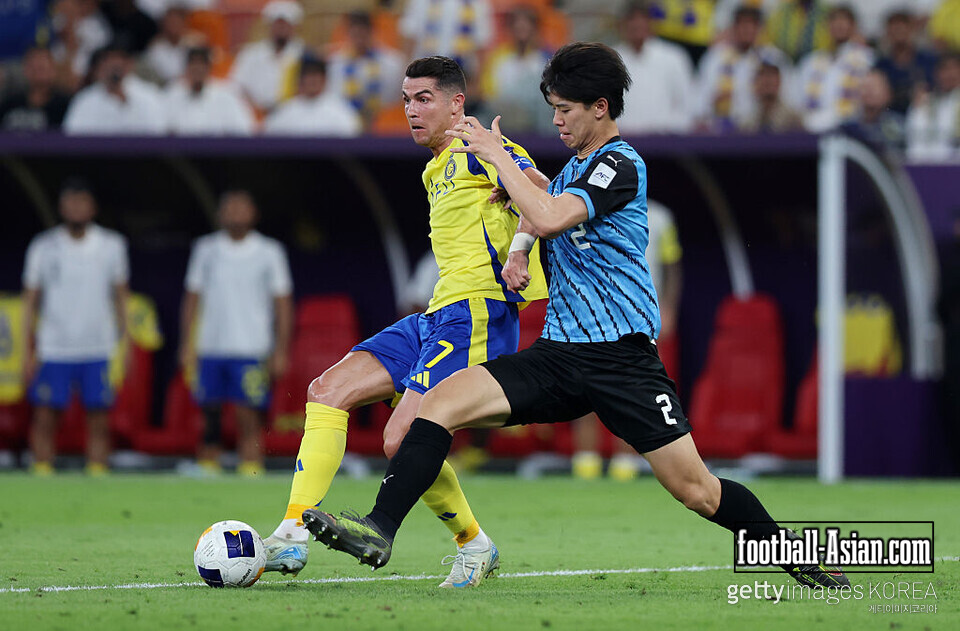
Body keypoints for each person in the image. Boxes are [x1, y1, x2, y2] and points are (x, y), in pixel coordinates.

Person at [302, 42, 850, 592]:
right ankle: (379, 529)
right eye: (553, 107)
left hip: (621, 361)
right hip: (560, 356)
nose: (557, 119)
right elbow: (536, 211)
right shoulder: (574, 169)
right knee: (439, 403)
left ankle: (801, 561)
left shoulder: (620, 164)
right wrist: (518, 248)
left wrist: (497, 158)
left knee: (698, 491)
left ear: (601, 108)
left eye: (565, 109)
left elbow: (550, 213)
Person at [260, 56, 548, 589]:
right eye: (406, 100)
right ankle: (291, 536)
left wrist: (521, 251)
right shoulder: (436, 165)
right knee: (327, 390)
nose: (411, 111)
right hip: (435, 314)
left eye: (424, 99)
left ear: (457, 103)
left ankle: (472, 544)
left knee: (402, 439)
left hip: (477, 312)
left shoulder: (479, 148)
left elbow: (540, 189)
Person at [179, 190, 293, 476]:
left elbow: (283, 304)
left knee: (248, 413)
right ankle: (207, 467)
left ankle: (251, 467)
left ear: (253, 213)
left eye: (241, 208)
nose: (234, 213)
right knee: (209, 413)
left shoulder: (269, 251)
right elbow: (192, 298)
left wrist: (281, 349)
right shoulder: (205, 249)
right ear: (219, 214)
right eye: (229, 208)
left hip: (252, 347)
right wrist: (187, 344)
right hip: (210, 347)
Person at [22, 177, 129, 475]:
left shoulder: (111, 245)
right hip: (54, 346)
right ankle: (41, 472)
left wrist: (126, 344)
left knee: (99, 417)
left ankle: (98, 473)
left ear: (92, 207)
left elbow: (121, 297)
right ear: (61, 207)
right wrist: (26, 349)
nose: (76, 208)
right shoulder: (44, 246)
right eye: (70, 202)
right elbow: (31, 301)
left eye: (82, 202)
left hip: (98, 346)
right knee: (45, 415)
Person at [571, 198, 683, 481]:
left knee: (634, 386)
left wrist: (668, 307)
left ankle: (626, 461)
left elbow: (672, 266)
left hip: (639, 314)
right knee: (587, 381)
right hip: (593, 309)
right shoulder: (585, 205)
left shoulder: (660, 216)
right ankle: (586, 461)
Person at [694, 5, 791, 132]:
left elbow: (789, 101)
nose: (747, 30)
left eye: (752, 25)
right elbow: (697, 100)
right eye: (743, 25)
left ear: (761, 28)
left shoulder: (774, 59)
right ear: (733, 27)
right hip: (723, 131)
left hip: (763, 129)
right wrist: (713, 100)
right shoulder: (715, 59)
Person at [614, 0, 695, 134]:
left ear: (651, 23)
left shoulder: (673, 57)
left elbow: (688, 104)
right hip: (622, 142)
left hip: (666, 140)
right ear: (623, 25)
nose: (637, 24)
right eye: (631, 20)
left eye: (642, 19)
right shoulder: (611, 59)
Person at [794, 4, 874, 133]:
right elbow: (799, 102)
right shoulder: (811, 62)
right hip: (811, 131)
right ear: (827, 27)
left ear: (854, 26)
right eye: (834, 21)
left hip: (850, 131)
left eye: (844, 21)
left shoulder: (867, 60)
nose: (838, 25)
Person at [62, 42, 166, 135]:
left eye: (119, 64)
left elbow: (160, 134)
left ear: (129, 64)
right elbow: (73, 138)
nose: (115, 68)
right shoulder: (85, 100)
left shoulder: (149, 96)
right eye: (110, 62)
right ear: (101, 66)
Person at [326, 10, 405, 129]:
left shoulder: (393, 63)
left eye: (363, 34)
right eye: (355, 34)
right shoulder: (335, 63)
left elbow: (397, 99)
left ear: (371, 32)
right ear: (348, 34)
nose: (359, 40)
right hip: (344, 124)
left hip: (384, 125)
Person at [230, 0, 305, 112]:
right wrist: (258, 111)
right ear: (269, 25)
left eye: (286, 24)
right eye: (278, 23)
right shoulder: (250, 53)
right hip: (254, 115)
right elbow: (237, 86)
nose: (281, 28)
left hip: (293, 116)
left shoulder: (304, 54)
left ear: (294, 26)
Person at [263, 55, 362, 137]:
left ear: (324, 80)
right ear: (300, 80)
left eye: (316, 75)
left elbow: (352, 133)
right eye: (308, 75)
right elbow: (269, 134)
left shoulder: (340, 110)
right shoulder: (287, 110)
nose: (312, 80)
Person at [164, 46, 255, 136]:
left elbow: (244, 130)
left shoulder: (226, 94)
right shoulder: (173, 94)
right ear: (187, 68)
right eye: (193, 64)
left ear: (209, 67)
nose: (197, 68)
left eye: (201, 64)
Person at [0, 47, 72, 131]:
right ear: (25, 69)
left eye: (42, 67)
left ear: (53, 70)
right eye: (33, 67)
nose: (37, 72)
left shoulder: (65, 106)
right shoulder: (9, 103)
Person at [735, 60, 803, 132]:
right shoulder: (746, 120)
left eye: (772, 75)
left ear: (779, 81)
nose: (767, 80)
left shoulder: (792, 118)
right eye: (762, 75)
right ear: (755, 82)